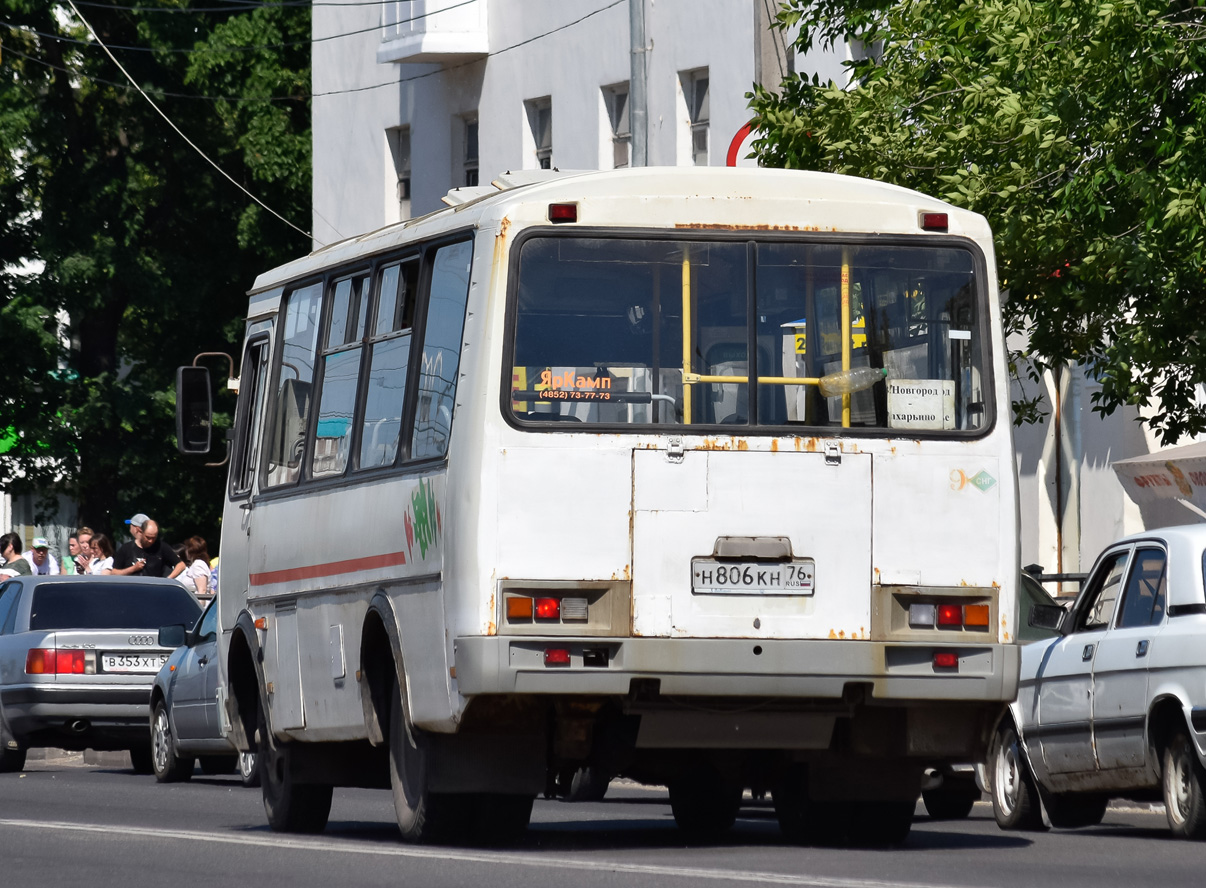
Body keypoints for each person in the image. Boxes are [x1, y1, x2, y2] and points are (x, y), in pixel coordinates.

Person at [108, 515, 184, 579]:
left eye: (154, 538)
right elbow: (114, 573)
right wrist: (133, 568)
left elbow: (181, 565)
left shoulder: (161, 547)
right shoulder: (126, 548)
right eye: (148, 537)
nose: (150, 541)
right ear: (141, 531)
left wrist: (168, 580)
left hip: (154, 590)